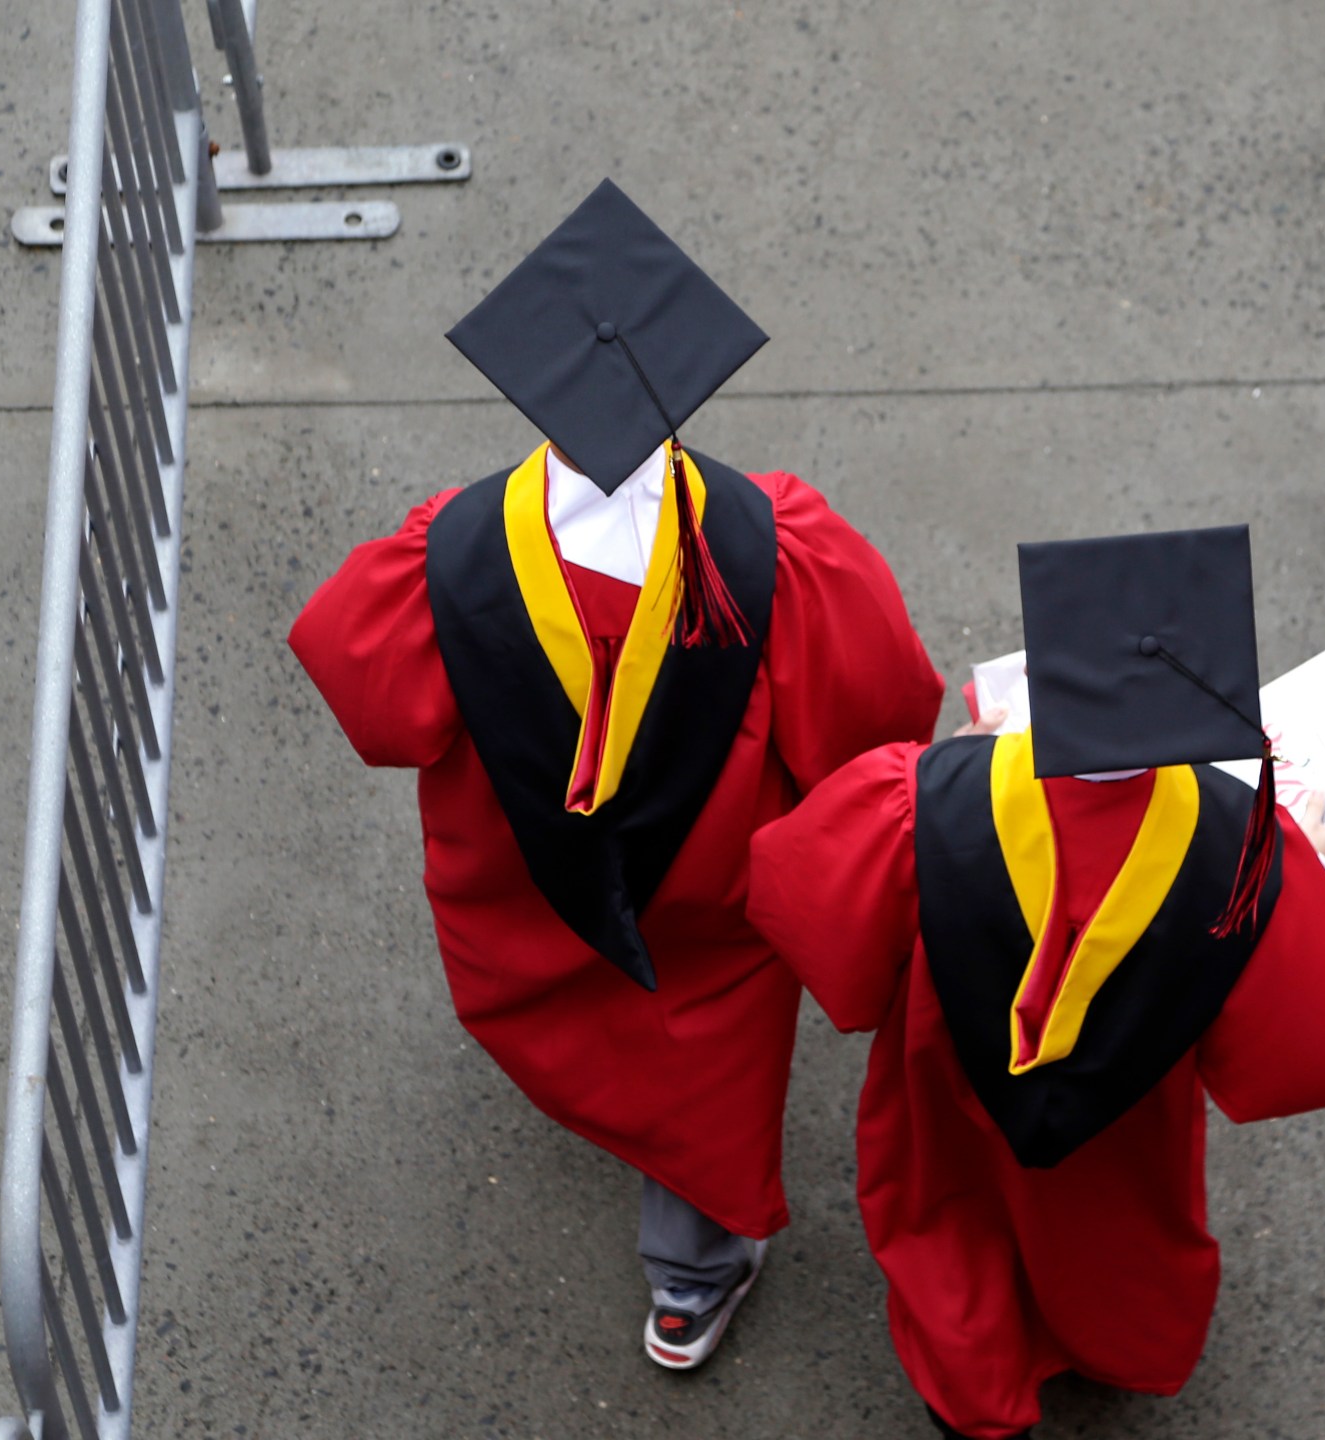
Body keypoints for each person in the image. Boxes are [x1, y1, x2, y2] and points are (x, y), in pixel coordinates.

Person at [288, 179, 944, 1370]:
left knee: (578, 1023)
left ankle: (622, 1149)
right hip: (711, 909)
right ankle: (691, 1281)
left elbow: (367, 699)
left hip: (523, 894)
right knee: (702, 1080)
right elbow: (882, 714)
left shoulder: (445, 552)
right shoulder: (778, 547)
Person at [746, 525, 1325, 1438]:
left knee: (950, 1234)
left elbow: (794, 898)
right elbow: (1321, 1056)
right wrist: (1304, 883)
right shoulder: (1249, 855)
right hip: (1127, 1134)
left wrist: (953, 764)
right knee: (1110, 1243)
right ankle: (1104, 1347)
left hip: (942, 1097)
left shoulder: (921, 796)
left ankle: (973, 1410)